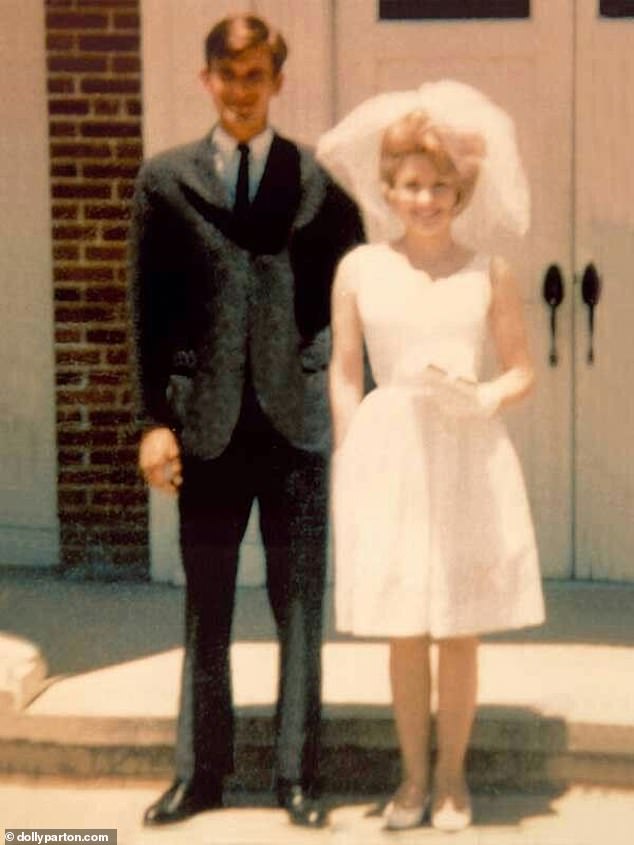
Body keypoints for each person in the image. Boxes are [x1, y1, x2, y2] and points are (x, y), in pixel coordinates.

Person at [129, 14, 363, 828]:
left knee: (300, 602)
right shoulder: (165, 181)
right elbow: (147, 312)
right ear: (206, 81)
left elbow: (353, 286)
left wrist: (336, 380)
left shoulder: (316, 181)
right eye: (227, 77)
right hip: (209, 426)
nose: (240, 91)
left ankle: (298, 774)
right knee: (208, 603)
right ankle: (202, 774)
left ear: (275, 82)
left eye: (255, 76)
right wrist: (152, 420)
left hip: (295, 425)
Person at [318, 81, 545, 833]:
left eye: (441, 186)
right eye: (412, 186)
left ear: (461, 190)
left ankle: (453, 780)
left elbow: (521, 368)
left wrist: (485, 396)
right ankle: (411, 779)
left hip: (464, 454)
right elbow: (345, 370)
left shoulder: (490, 272)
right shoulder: (359, 270)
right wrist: (352, 449)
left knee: (458, 625)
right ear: (388, 190)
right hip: (390, 457)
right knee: (403, 626)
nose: (426, 200)